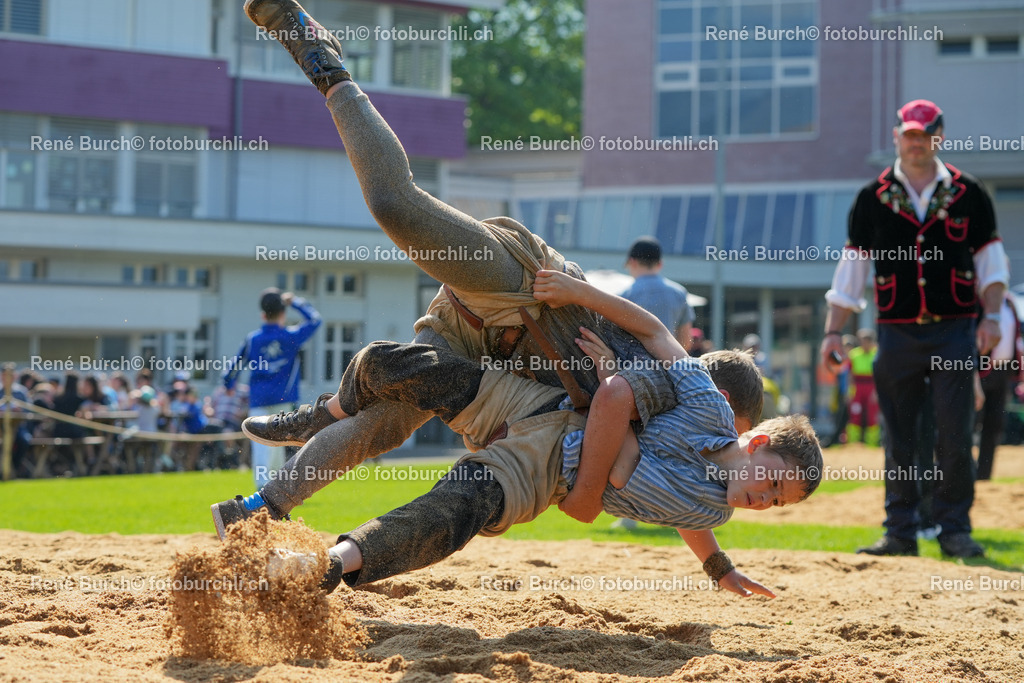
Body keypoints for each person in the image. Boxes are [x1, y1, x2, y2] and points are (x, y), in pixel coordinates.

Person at [218, 0, 768, 592]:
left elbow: (686, 485)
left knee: (384, 423)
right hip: (519, 285)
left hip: (478, 353)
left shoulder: (686, 440)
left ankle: (260, 508)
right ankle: (325, 62)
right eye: (725, 434)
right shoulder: (675, 389)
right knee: (396, 205)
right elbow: (648, 339)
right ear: (715, 400)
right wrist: (576, 292)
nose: (708, 453)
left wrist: (716, 564)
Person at [821, 99, 1009, 558]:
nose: (916, 143)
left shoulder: (969, 192)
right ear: (896, 137)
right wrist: (832, 332)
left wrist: (991, 317)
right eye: (909, 135)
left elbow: (992, 264)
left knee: (954, 430)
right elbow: (851, 271)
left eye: (924, 135)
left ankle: (954, 529)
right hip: (896, 332)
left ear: (939, 137)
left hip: (955, 330)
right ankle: (900, 531)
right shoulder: (873, 197)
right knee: (899, 434)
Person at [223, 287, 321, 487]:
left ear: (262, 315)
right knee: (278, 443)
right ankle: (276, 486)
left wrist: (229, 384)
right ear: (283, 313)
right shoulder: (290, 336)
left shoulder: (253, 339)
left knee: (260, 442)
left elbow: (234, 365)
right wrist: (295, 302)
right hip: (283, 398)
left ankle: (262, 485)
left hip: (258, 398)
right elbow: (315, 320)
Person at [975, 291, 1023, 480]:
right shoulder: (979, 299)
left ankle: (983, 475)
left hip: (1002, 371)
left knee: (995, 424)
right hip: (979, 370)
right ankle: (962, 471)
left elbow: (1016, 338)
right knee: (970, 421)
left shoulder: (1009, 303)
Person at [620, 236, 696, 345]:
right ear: (660, 264)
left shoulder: (625, 296)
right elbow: (686, 340)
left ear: (633, 262)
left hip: (634, 355)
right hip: (670, 354)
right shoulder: (679, 293)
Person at [846, 328, 879, 447]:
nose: (864, 344)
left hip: (871, 387)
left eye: (866, 341)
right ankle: (853, 443)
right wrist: (850, 391)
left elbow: (879, 375)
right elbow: (850, 375)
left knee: (872, 416)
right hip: (858, 387)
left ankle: (872, 443)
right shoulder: (854, 354)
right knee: (855, 414)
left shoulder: (876, 354)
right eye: (862, 341)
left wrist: (876, 391)